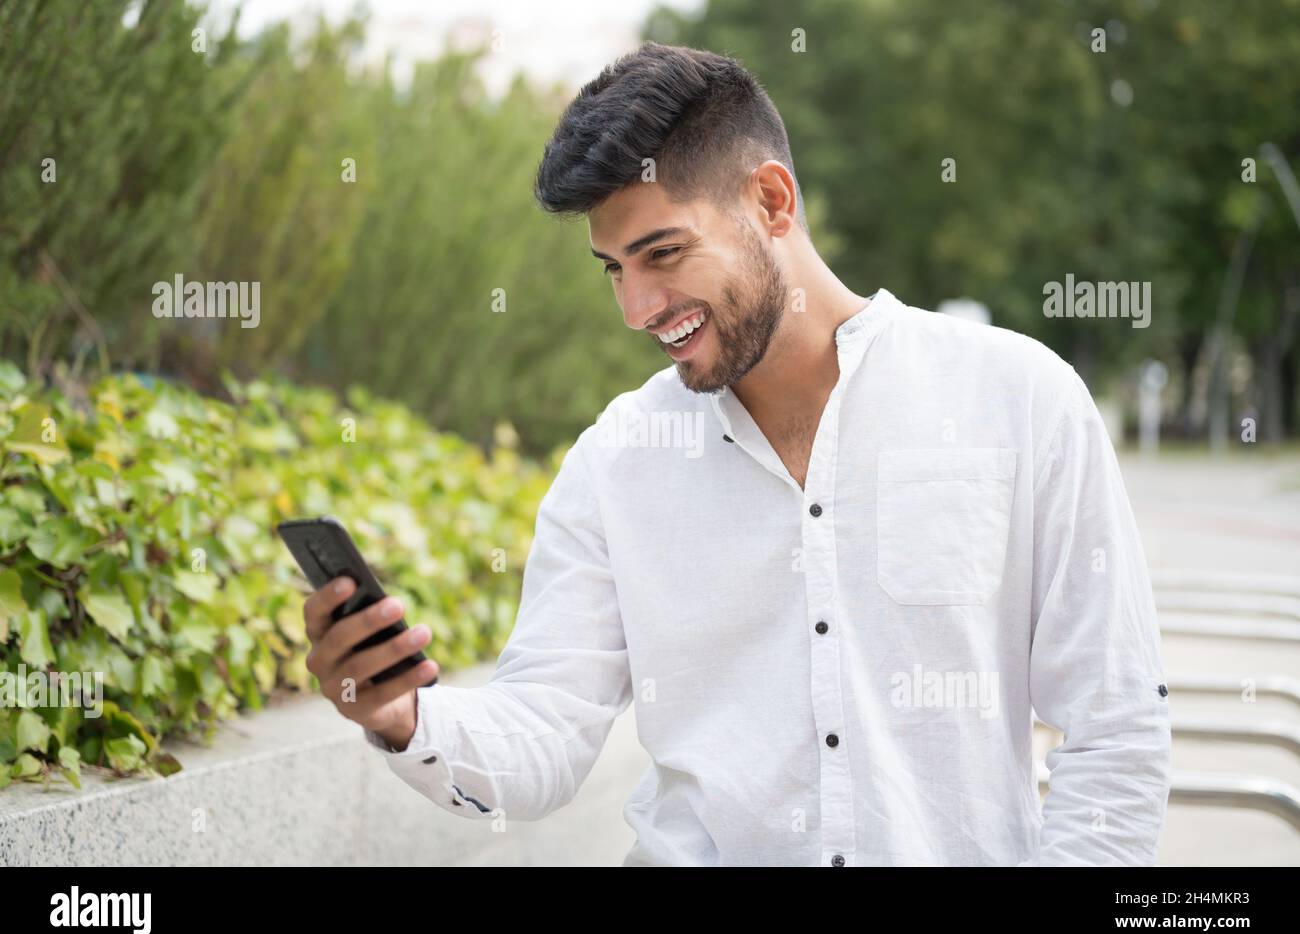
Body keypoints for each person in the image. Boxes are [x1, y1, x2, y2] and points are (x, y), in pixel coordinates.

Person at [302, 42, 1172, 866]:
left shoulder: (1016, 399)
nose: (637, 307)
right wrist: (404, 716)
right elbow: (547, 734)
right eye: (613, 268)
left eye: (663, 253)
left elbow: (1115, 727)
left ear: (772, 202)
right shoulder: (617, 463)